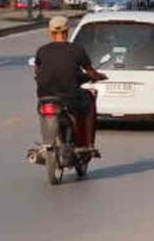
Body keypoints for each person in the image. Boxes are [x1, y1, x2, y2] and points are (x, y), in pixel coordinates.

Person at [34, 16, 105, 150]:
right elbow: (90, 72)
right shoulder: (77, 49)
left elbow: (37, 72)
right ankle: (89, 145)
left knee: (43, 114)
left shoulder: (42, 50)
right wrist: (98, 76)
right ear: (67, 31)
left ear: (50, 32)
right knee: (89, 101)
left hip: (44, 97)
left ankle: (47, 141)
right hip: (70, 97)